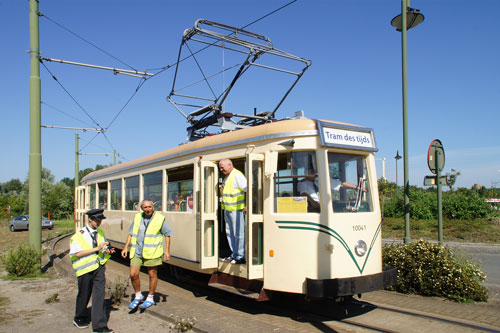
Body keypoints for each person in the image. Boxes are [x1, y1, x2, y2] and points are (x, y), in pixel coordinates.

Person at [70, 208, 115, 333]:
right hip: (84, 270)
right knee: (84, 295)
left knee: (99, 296)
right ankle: (79, 317)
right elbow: (77, 253)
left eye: (100, 219)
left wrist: (107, 250)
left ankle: (99, 326)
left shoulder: (100, 232)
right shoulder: (79, 235)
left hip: (98, 268)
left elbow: (102, 246)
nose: (99, 222)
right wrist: (97, 249)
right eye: (97, 219)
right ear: (90, 219)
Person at [121, 200, 172, 309]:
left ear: (153, 207)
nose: (148, 209)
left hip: (152, 252)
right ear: (142, 208)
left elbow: (167, 234)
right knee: (133, 274)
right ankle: (138, 295)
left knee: (152, 274)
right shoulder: (137, 217)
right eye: (145, 207)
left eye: (149, 207)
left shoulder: (159, 218)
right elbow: (131, 233)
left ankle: (150, 297)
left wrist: (167, 251)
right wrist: (125, 247)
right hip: (137, 251)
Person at [219, 158, 247, 264]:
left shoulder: (237, 175)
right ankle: (234, 254)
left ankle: (240, 256)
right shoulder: (228, 177)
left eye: (222, 167)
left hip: (237, 210)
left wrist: (247, 205)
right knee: (230, 233)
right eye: (220, 167)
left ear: (230, 165)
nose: (221, 169)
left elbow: (249, 189)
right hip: (228, 210)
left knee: (238, 234)